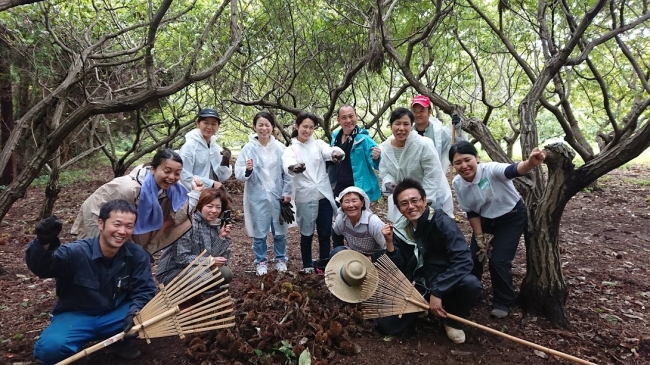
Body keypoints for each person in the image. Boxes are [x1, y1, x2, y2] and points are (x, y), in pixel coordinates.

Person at [26, 200, 157, 364]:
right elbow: (43, 268)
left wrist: (134, 312)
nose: (122, 231)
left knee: (152, 312)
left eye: (129, 226)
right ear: (101, 223)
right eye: (117, 224)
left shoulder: (137, 255)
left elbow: (145, 290)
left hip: (115, 314)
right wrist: (43, 244)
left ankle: (118, 341)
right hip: (77, 316)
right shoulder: (76, 252)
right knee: (50, 349)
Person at [376, 178, 481, 344]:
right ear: (399, 208)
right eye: (404, 204)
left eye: (414, 200)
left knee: (471, 283)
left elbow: (463, 260)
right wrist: (389, 244)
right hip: (418, 285)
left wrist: (438, 291)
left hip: (446, 283)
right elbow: (400, 268)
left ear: (424, 200)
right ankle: (423, 309)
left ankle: (451, 319)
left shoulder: (442, 222)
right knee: (385, 326)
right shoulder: (401, 229)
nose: (410, 206)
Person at [450, 141, 545, 318]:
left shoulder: (490, 170)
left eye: (467, 159)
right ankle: (471, 292)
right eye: (457, 163)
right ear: (453, 165)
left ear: (476, 158)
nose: (464, 166)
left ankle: (504, 300)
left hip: (510, 216)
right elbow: (471, 211)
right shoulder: (458, 183)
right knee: (473, 257)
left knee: (498, 260)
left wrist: (531, 163)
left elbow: (514, 170)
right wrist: (479, 237)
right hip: (485, 219)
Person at [71, 149, 203, 254]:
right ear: (153, 169)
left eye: (177, 173)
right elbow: (113, 219)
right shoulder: (130, 189)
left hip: (127, 222)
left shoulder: (173, 190)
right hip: (98, 216)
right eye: (167, 171)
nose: (172, 177)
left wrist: (195, 193)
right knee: (101, 255)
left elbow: (177, 217)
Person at [282, 111, 345, 273]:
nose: (307, 131)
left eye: (311, 127)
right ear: (297, 126)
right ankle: (308, 265)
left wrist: (336, 154)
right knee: (307, 232)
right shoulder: (291, 149)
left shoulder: (318, 144)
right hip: (305, 196)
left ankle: (323, 264)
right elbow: (287, 163)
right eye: (304, 126)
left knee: (324, 232)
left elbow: (329, 151)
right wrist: (293, 167)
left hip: (323, 195)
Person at [235, 111, 292, 276]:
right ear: (255, 127)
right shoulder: (248, 149)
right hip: (257, 195)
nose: (264, 128)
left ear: (272, 127)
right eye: (260, 124)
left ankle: (281, 259)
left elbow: (287, 173)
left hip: (278, 194)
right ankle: (261, 261)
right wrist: (248, 170)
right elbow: (239, 172)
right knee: (259, 231)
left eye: (267, 124)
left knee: (280, 230)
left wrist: (287, 192)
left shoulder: (281, 148)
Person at [379, 107, 453, 222]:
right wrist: (389, 182)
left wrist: (423, 200)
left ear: (411, 126)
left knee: (433, 230)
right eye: (397, 124)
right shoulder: (386, 147)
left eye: (406, 124)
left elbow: (432, 174)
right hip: (404, 200)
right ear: (391, 125)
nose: (401, 128)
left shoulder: (423, 144)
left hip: (430, 198)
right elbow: (385, 171)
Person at [156, 188, 233, 288]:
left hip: (198, 267)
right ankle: (190, 298)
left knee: (225, 274)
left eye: (218, 207)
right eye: (210, 206)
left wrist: (221, 236)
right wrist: (210, 261)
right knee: (206, 276)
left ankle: (203, 294)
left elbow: (213, 255)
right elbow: (181, 258)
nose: (214, 211)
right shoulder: (188, 224)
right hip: (173, 271)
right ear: (200, 206)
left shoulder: (214, 225)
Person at [328, 105, 381, 248]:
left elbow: (378, 164)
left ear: (356, 116)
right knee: (343, 221)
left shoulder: (363, 139)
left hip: (359, 188)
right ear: (338, 120)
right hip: (340, 188)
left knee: (364, 223)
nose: (348, 120)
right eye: (344, 117)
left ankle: (371, 252)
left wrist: (377, 157)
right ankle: (345, 251)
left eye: (351, 116)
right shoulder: (335, 138)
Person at [178, 108, 232, 191]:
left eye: (213, 124)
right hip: (193, 195)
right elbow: (183, 175)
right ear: (198, 123)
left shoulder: (216, 148)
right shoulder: (189, 147)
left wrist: (225, 162)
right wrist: (211, 184)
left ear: (218, 126)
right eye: (206, 123)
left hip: (212, 196)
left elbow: (220, 177)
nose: (209, 127)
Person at [329, 186, 387, 262]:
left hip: (374, 258)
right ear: (341, 204)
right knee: (336, 253)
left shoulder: (373, 222)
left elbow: (387, 248)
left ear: (362, 203)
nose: (351, 205)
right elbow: (336, 234)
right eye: (346, 202)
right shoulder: (341, 219)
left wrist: (371, 258)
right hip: (354, 257)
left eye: (354, 201)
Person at [410, 95, 466, 172]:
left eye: (421, 111)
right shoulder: (408, 132)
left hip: (435, 177)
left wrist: (457, 128)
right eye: (414, 111)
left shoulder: (440, 132)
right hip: (413, 178)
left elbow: (458, 144)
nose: (417, 114)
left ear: (429, 112)